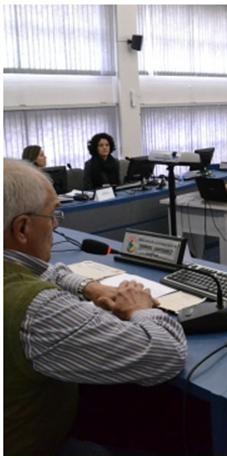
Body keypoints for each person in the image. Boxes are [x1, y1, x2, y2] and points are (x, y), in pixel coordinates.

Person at [4, 159, 187, 455]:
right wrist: (141, 308)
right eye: (52, 215)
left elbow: (40, 271)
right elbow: (166, 355)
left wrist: (88, 286)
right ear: (23, 228)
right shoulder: (37, 309)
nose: (56, 225)